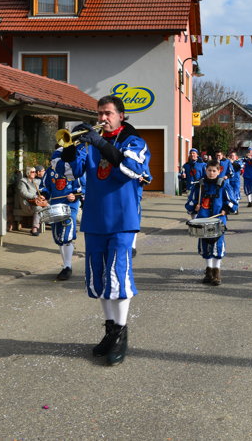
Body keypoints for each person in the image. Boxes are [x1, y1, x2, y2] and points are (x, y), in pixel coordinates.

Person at [66, 95, 150, 366]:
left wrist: (99, 142)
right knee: (98, 278)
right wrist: (69, 150)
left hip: (123, 220)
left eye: (107, 113)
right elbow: (74, 172)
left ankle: (122, 334)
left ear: (121, 116)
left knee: (118, 275)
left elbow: (131, 168)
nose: (102, 118)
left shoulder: (134, 141)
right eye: (99, 113)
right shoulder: (90, 142)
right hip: (94, 219)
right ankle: (110, 330)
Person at [185, 159, 238, 285]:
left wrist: (226, 209)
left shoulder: (224, 184)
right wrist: (194, 207)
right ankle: (208, 272)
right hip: (203, 220)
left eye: (214, 171)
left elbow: (232, 202)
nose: (211, 173)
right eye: (209, 170)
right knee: (205, 246)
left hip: (218, 220)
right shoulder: (200, 185)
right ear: (205, 170)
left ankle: (216, 273)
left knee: (217, 246)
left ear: (219, 171)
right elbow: (190, 202)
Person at [38, 148, 84, 281]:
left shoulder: (75, 170)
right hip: (55, 206)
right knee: (58, 237)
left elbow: (81, 188)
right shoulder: (50, 170)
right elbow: (44, 187)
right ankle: (65, 265)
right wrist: (43, 196)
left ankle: (68, 267)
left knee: (67, 234)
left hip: (70, 206)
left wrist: (74, 196)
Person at [17, 166, 44, 236]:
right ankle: (34, 228)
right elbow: (23, 193)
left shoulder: (36, 181)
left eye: (35, 172)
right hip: (26, 203)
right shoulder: (23, 181)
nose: (35, 173)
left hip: (35, 202)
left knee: (48, 206)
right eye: (33, 172)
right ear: (28, 173)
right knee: (38, 208)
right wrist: (35, 196)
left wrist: (41, 196)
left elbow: (44, 182)